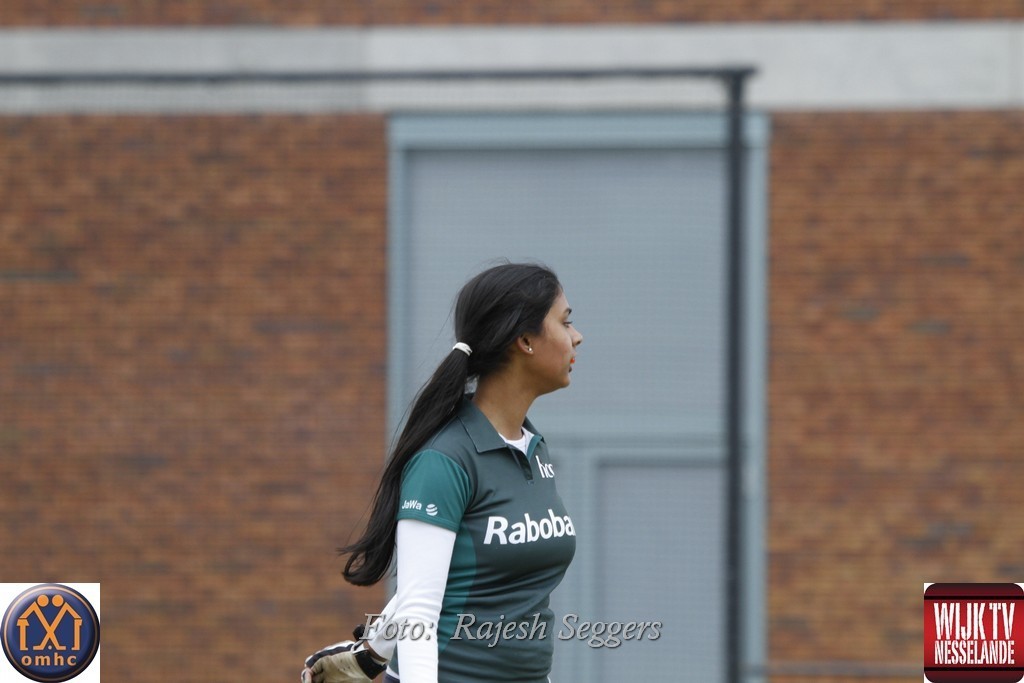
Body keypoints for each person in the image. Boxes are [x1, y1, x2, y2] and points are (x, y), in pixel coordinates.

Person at [303, 262, 583, 683]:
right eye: (565, 322)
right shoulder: (445, 459)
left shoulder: (532, 448)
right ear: (525, 341)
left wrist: (372, 652)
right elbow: (420, 608)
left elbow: (447, 575)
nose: (577, 336)